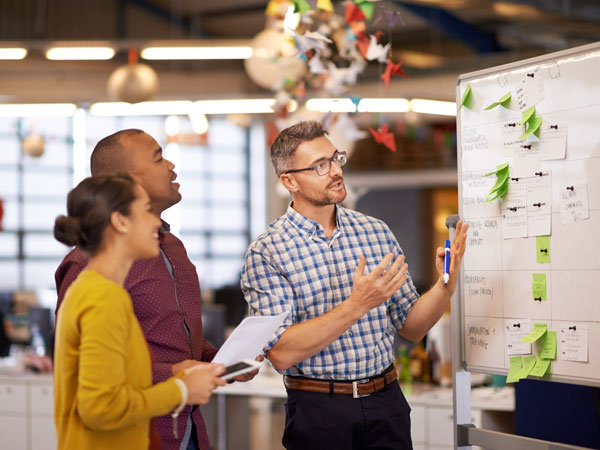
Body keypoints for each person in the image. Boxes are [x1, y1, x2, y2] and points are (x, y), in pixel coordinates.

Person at [241, 121, 468, 450]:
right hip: (319, 411)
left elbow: (412, 327)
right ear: (289, 181)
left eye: (335, 158)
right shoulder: (267, 252)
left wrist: (444, 286)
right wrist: (357, 304)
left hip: (387, 402)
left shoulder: (375, 231)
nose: (335, 171)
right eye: (320, 165)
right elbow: (281, 353)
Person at [54, 129, 256, 450]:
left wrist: (220, 363)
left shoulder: (158, 257)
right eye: (144, 212)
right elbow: (98, 404)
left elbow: (159, 352)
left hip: (182, 425)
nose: (155, 225)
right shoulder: (96, 290)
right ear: (121, 219)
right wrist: (180, 386)